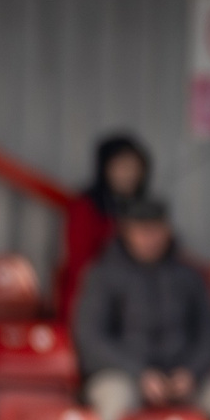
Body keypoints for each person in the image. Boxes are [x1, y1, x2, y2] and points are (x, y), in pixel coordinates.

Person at [75, 198, 210, 420]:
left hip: (182, 376)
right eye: (142, 231)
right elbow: (90, 338)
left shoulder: (188, 275)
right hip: (122, 375)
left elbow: (209, 333)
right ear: (126, 232)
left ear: (167, 230)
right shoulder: (102, 275)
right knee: (114, 404)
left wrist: (192, 372)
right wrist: (138, 374)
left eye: (155, 230)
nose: (150, 239)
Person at [60, 133, 150, 318]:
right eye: (122, 167)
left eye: (135, 168)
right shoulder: (85, 207)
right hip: (91, 303)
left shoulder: (145, 209)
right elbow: (81, 266)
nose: (130, 174)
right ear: (105, 168)